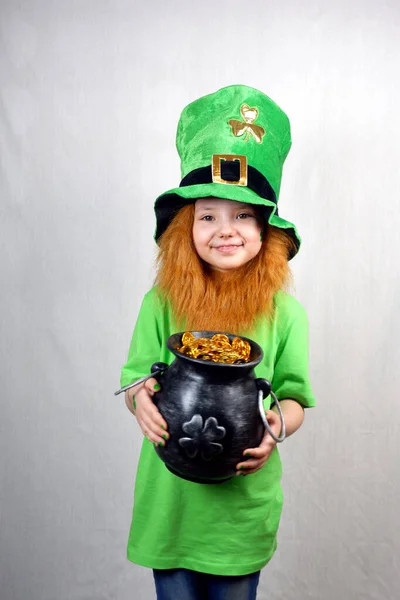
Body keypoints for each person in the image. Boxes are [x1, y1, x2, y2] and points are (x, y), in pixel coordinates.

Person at [119, 84, 316, 600]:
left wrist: (278, 425)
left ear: (266, 227)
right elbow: (138, 376)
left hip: (240, 505)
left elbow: (293, 397)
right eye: (207, 216)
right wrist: (140, 400)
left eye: (242, 215)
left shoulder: (286, 313)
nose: (224, 231)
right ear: (186, 227)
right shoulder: (160, 302)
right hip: (172, 503)